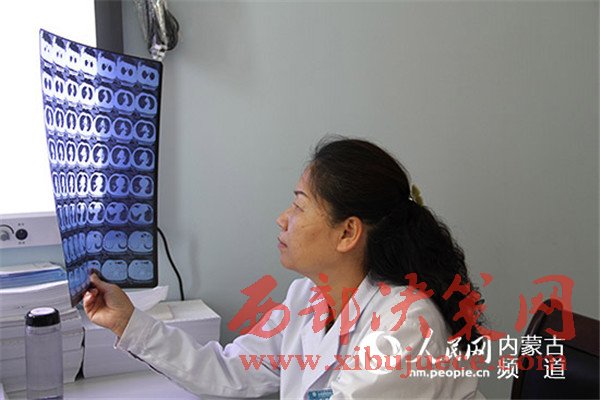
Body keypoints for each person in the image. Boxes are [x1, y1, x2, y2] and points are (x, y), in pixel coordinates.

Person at [84, 137, 487, 399]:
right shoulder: (307, 297)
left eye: (298, 205)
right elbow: (232, 370)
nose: (282, 219)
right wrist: (127, 322)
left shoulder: (406, 324)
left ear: (347, 232)